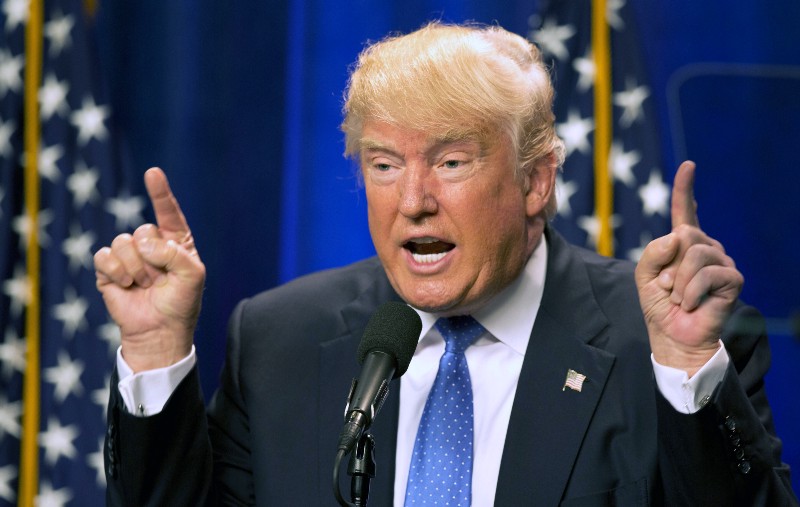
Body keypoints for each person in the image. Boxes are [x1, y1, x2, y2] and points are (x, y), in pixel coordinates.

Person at [94, 22, 798, 506]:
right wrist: (155, 350)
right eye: (384, 163)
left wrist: (684, 366)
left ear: (536, 180)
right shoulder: (280, 339)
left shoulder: (667, 345)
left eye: (452, 160)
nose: (414, 200)